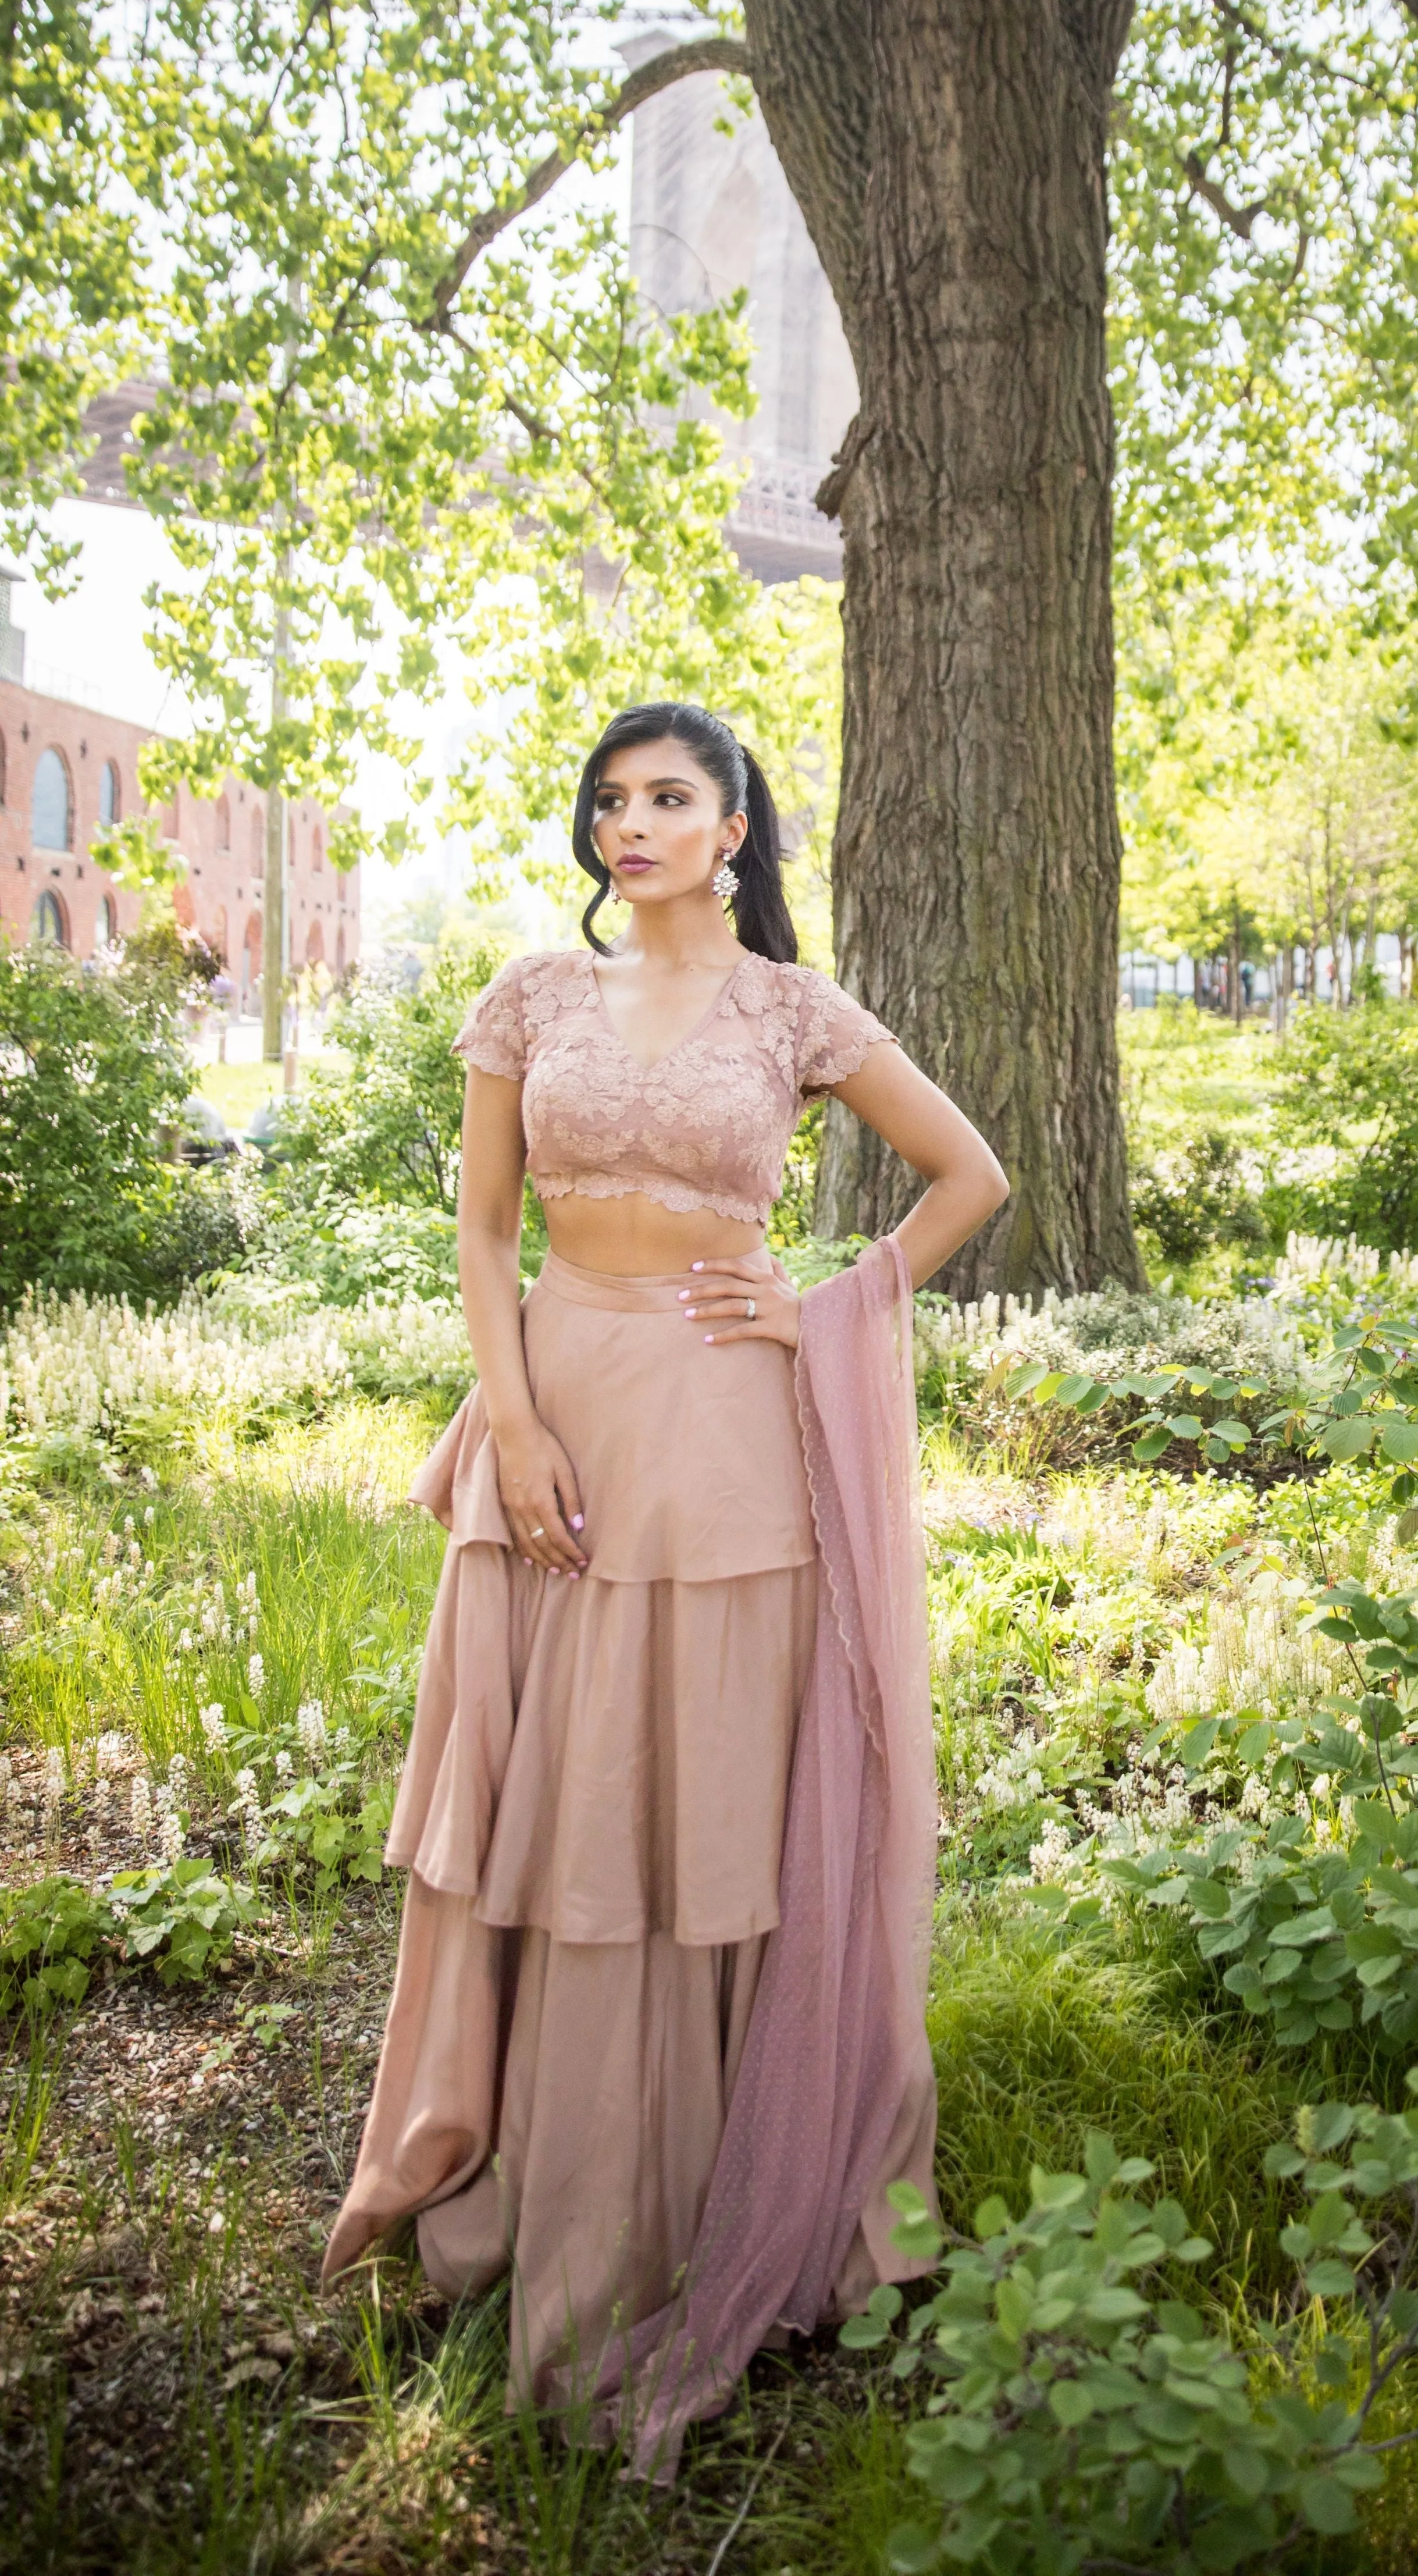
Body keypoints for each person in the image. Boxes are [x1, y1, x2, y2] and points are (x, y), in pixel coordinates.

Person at [323, 702, 1007, 2467]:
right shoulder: (531, 997)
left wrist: (826, 1302)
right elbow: (485, 1230)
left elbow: (968, 1176)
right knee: (546, 1795)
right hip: (558, 1409)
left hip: (720, 1433)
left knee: (680, 1799)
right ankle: (518, 2170)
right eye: (612, 799)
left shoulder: (795, 1008)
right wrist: (518, 1421)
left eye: (671, 796)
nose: (634, 822)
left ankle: (699, 2192)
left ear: (734, 826)